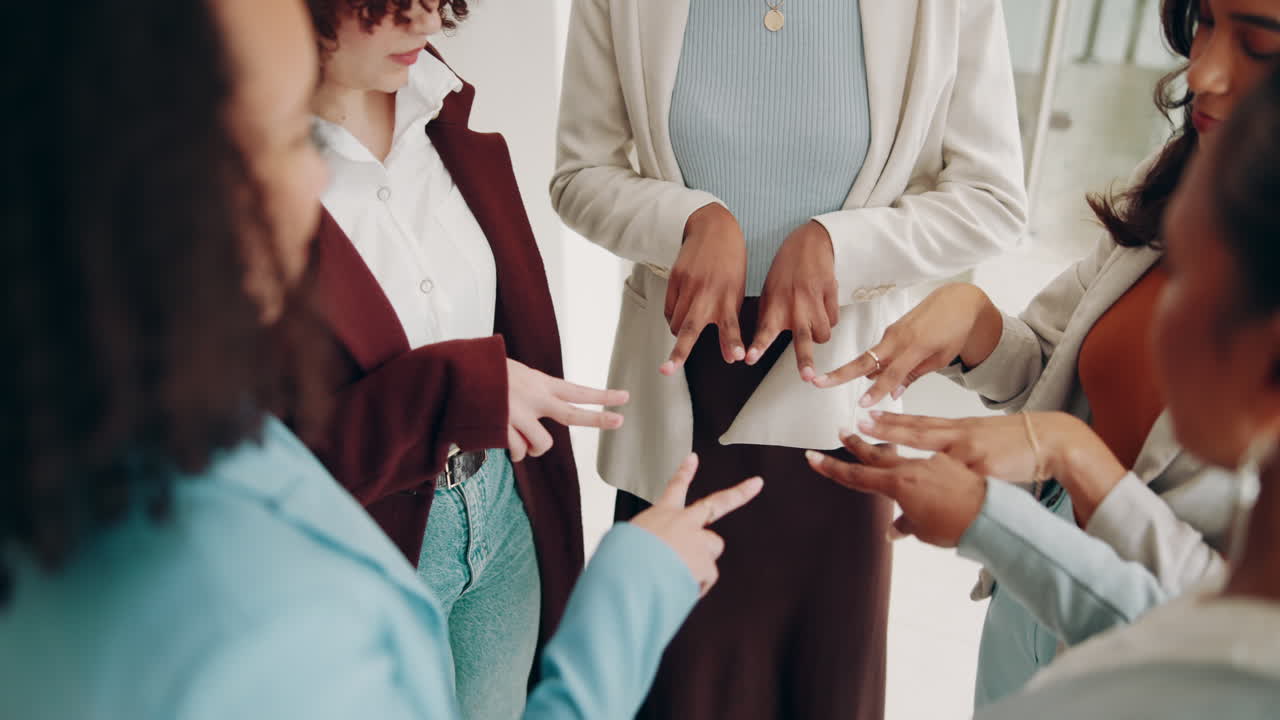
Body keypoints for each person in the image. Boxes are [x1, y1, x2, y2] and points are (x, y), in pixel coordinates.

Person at [0, 1, 762, 718]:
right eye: (284, 140)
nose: (314, 186)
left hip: (496, 502)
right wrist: (634, 593)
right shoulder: (274, 621)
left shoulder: (127, 451)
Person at [550, 1, 1027, 716]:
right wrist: (688, 221)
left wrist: (841, 243)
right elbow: (578, 175)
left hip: (834, 418)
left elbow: (992, 200)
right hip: (680, 405)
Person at [813, 0, 1280, 705]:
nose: (1203, 72)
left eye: (1259, 47)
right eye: (1203, 23)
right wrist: (973, 323)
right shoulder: (1182, 174)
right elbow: (1049, 369)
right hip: (1027, 604)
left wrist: (1066, 459)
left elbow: (1233, 624)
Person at [298, 3, 622, 714]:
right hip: (368, 549)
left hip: (504, 509)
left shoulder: (441, 111)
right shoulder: (237, 183)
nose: (427, 21)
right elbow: (268, 461)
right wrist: (462, 388)